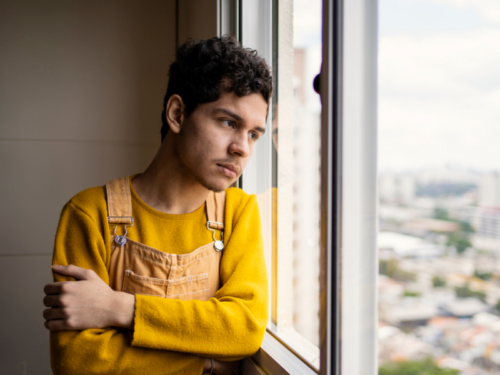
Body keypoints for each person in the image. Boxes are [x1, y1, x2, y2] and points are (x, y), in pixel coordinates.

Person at [42, 35, 272, 375]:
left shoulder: (239, 212)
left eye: (254, 134)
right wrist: (207, 361)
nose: (243, 148)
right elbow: (79, 362)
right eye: (229, 122)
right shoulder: (89, 213)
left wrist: (119, 308)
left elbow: (245, 328)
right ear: (177, 114)